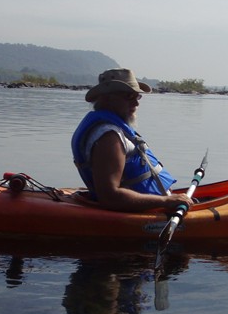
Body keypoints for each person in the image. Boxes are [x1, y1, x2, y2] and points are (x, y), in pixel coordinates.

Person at [71, 68, 193, 212]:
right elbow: (110, 196)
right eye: (129, 96)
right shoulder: (109, 137)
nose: (136, 103)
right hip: (144, 212)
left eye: (137, 96)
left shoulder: (114, 130)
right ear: (107, 98)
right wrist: (165, 201)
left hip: (157, 205)